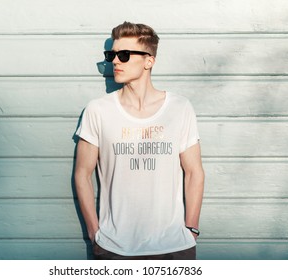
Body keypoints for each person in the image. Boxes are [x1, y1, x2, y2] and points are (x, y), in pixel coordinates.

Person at [74, 21, 205, 260]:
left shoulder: (180, 108)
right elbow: (82, 174)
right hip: (115, 248)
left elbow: (194, 172)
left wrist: (191, 229)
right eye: (111, 54)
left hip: (173, 247)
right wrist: (95, 233)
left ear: (149, 61)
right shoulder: (98, 110)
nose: (115, 61)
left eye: (124, 55)